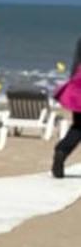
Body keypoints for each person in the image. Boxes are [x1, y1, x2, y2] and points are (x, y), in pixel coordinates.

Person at [53, 40, 81, 179]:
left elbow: (76, 64)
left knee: (78, 127)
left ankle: (62, 150)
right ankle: (61, 151)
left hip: (79, 86)